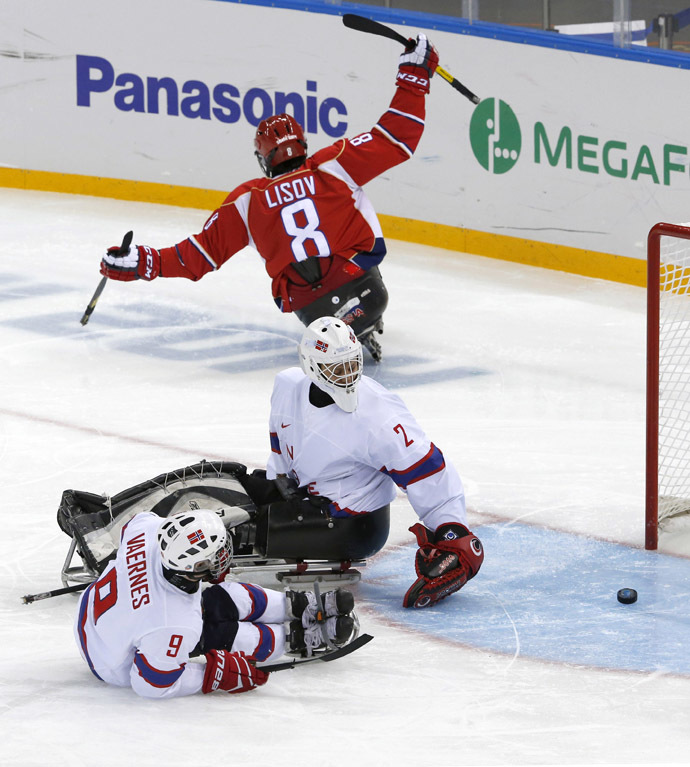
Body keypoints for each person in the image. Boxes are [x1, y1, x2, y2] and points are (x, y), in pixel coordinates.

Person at [98, 35, 441, 361]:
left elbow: (197, 257)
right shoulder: (333, 165)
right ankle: (364, 316)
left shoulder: (247, 202)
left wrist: (143, 261)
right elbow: (397, 137)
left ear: (264, 160)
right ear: (303, 146)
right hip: (369, 292)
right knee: (354, 209)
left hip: (314, 312)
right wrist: (413, 76)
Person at [263, 316, 484, 609]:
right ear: (311, 366)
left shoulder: (378, 413)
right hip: (303, 499)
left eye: (352, 364)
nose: (347, 375)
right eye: (336, 368)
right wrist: (273, 483)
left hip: (352, 525)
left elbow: (426, 471)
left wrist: (451, 531)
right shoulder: (288, 385)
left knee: (257, 526)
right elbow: (280, 447)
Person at [74, 507, 357, 698]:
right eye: (216, 553)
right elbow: (151, 684)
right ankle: (293, 638)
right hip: (110, 660)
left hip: (99, 615)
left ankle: (295, 605)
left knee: (223, 598)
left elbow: (131, 534)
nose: (225, 553)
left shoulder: (148, 533)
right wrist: (213, 674)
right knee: (221, 636)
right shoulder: (171, 623)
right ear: (191, 567)